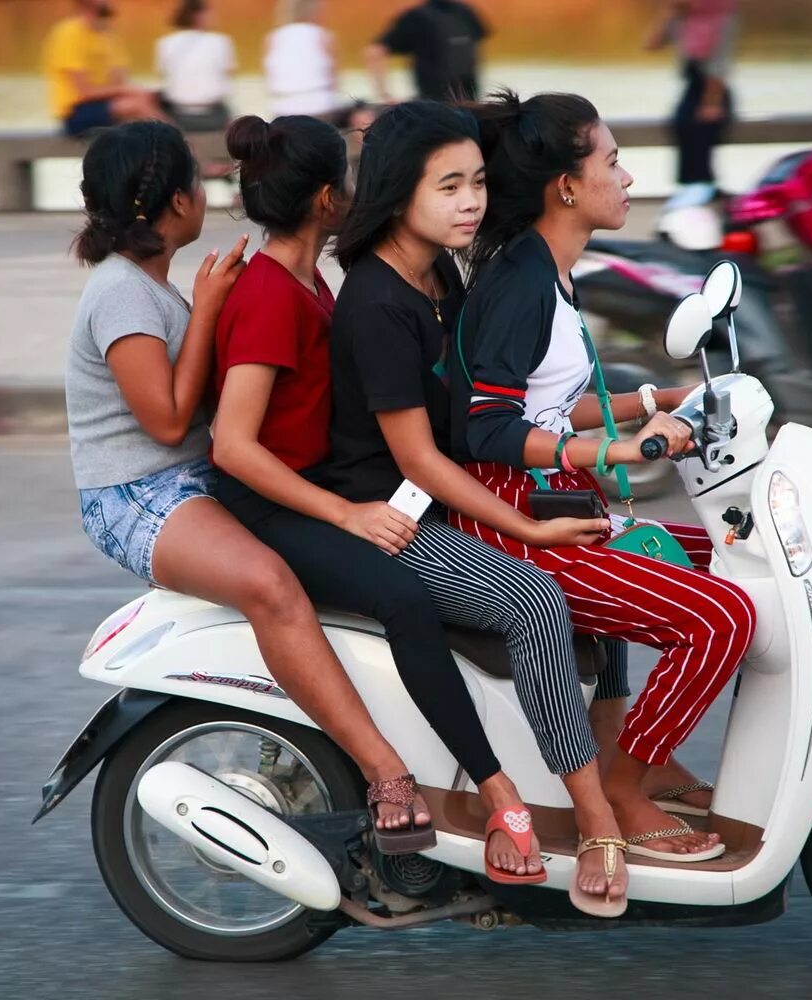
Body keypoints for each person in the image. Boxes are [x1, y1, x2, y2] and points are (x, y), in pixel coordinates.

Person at [65, 120, 438, 851]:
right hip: (137, 496)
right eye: (197, 184)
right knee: (272, 584)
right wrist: (208, 310)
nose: (209, 195)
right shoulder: (121, 295)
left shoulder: (152, 286)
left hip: (188, 482)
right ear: (174, 202)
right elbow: (169, 421)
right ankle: (385, 771)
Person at [209, 113, 549, 886]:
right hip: (271, 506)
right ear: (330, 198)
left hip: (313, 490)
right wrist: (348, 514)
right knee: (404, 599)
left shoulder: (311, 279)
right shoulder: (271, 293)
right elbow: (233, 446)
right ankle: (468, 785)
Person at [329, 100, 647, 911]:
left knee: (601, 552)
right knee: (538, 597)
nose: (470, 201)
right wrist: (528, 524)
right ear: (400, 192)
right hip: (393, 520)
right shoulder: (377, 302)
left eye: (476, 181)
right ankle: (594, 813)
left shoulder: (442, 272)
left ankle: (618, 765)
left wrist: (627, 425)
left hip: (444, 492)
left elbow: (495, 417)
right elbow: (419, 461)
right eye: (448, 186)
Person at [453, 90, 756, 862]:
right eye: (613, 162)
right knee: (722, 616)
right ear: (565, 185)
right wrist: (617, 453)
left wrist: (658, 399)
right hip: (518, 529)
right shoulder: (521, 283)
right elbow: (488, 426)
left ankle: (642, 752)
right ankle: (624, 785)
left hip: (562, 501)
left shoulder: (549, 269)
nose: (626, 178)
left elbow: (550, 407)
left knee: (732, 558)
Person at [647, 0, 737, 187]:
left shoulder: (721, 18)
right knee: (683, 131)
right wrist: (669, 13)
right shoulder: (684, 21)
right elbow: (652, 44)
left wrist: (711, 102)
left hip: (714, 91)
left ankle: (703, 189)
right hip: (692, 89)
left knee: (700, 136)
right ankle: (690, 189)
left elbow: (719, 65)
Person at [43, 0, 163, 137]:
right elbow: (84, 91)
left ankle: (162, 149)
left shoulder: (108, 36)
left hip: (106, 105)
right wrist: (127, 90)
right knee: (137, 107)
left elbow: (119, 81)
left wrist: (138, 92)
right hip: (76, 111)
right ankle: (180, 148)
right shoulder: (69, 34)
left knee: (150, 101)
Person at [264, 1, 371, 129]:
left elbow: (271, 78)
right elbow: (334, 80)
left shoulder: (272, 39)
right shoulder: (325, 36)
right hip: (321, 106)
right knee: (361, 116)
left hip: (282, 108)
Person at [367, 0, 489, 104]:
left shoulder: (416, 16)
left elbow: (374, 52)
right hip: (467, 105)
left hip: (436, 105)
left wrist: (385, 95)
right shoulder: (465, 12)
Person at [154, 0, 235, 134]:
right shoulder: (220, 41)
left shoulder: (165, 43)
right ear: (198, 16)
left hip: (177, 112)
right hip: (214, 113)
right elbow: (228, 73)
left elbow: (163, 74)